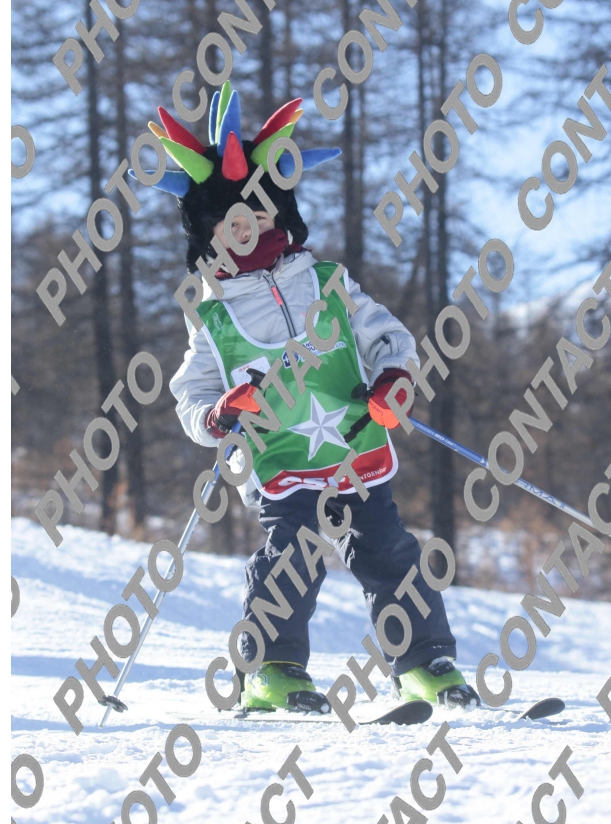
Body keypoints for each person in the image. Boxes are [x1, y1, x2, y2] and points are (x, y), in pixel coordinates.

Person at [147, 82, 479, 712]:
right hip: (279, 456)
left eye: (258, 216)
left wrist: (394, 378)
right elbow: (191, 395)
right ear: (210, 234)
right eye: (232, 223)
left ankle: (423, 663)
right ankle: (270, 671)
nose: (248, 230)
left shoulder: (328, 282)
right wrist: (219, 414)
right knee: (292, 557)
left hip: (354, 442)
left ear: (280, 215)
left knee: (389, 550)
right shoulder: (213, 317)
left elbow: (387, 337)